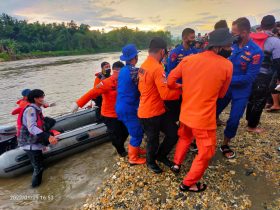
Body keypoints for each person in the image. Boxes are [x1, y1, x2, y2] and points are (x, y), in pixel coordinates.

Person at [168, 28, 233, 192]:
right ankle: (188, 184)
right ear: (219, 47)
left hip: (186, 113)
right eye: (229, 45)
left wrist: (182, 87)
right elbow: (222, 94)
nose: (231, 49)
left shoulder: (188, 60)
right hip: (203, 119)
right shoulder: (227, 65)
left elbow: (169, 81)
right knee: (206, 152)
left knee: (185, 137)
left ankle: (176, 164)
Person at [217, 17, 263, 158]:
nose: (232, 35)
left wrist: (228, 79)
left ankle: (225, 143)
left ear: (244, 32)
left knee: (235, 118)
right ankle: (199, 139)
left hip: (241, 90)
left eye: (234, 32)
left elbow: (250, 77)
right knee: (212, 110)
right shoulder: (232, 45)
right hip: (226, 87)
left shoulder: (256, 52)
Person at [138, 37, 181, 174]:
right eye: (166, 52)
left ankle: (161, 156)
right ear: (162, 51)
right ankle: (150, 162)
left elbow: (158, 85)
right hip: (150, 114)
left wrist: (177, 85)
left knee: (173, 133)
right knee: (153, 140)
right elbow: (166, 95)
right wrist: (181, 91)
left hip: (157, 109)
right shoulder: (157, 67)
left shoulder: (144, 65)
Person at [71, 61, 129, 157]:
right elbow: (92, 92)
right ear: (117, 71)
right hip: (109, 114)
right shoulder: (106, 83)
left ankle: (119, 144)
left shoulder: (124, 81)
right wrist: (78, 103)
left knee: (126, 131)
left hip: (121, 112)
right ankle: (121, 151)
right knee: (116, 134)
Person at [17, 89, 58, 188]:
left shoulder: (36, 108)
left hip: (34, 141)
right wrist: (47, 136)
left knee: (49, 121)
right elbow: (31, 128)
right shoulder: (31, 110)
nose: (43, 98)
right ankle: (34, 189)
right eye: (41, 97)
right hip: (30, 143)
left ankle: (38, 188)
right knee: (38, 168)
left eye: (43, 96)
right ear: (35, 99)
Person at [246, 15, 280, 132]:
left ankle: (249, 119)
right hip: (265, 75)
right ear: (274, 26)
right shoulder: (275, 41)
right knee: (260, 99)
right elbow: (277, 61)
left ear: (261, 25)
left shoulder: (251, 38)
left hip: (250, 72)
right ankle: (252, 126)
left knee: (251, 97)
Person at [116, 44, 146, 165]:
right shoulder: (135, 71)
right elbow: (145, 75)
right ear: (135, 57)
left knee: (135, 129)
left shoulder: (123, 70)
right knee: (137, 132)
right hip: (128, 107)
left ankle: (136, 149)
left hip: (122, 106)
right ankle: (133, 158)